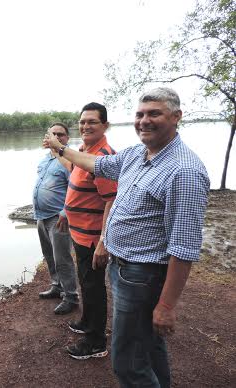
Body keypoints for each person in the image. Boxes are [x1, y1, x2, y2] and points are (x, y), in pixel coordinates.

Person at [46, 88, 209, 387]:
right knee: (148, 345)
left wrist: (167, 306)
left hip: (143, 275)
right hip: (123, 268)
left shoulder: (184, 171)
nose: (144, 121)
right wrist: (60, 148)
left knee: (126, 363)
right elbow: (95, 164)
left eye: (154, 114)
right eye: (140, 114)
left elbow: (184, 248)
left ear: (176, 117)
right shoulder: (136, 154)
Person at [47, 103, 117, 360]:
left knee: (94, 287)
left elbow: (112, 200)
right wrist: (56, 149)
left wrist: (103, 241)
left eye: (92, 122)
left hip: (92, 236)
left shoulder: (104, 158)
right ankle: (88, 321)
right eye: (83, 121)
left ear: (105, 126)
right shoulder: (85, 151)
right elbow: (72, 170)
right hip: (79, 232)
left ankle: (96, 342)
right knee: (87, 283)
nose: (85, 126)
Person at [34, 123, 79, 315]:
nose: (57, 137)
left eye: (60, 134)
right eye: (53, 134)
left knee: (63, 258)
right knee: (49, 255)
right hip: (41, 216)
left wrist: (66, 212)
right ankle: (57, 285)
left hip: (58, 218)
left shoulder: (70, 160)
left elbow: (76, 188)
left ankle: (71, 296)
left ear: (67, 138)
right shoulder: (45, 160)